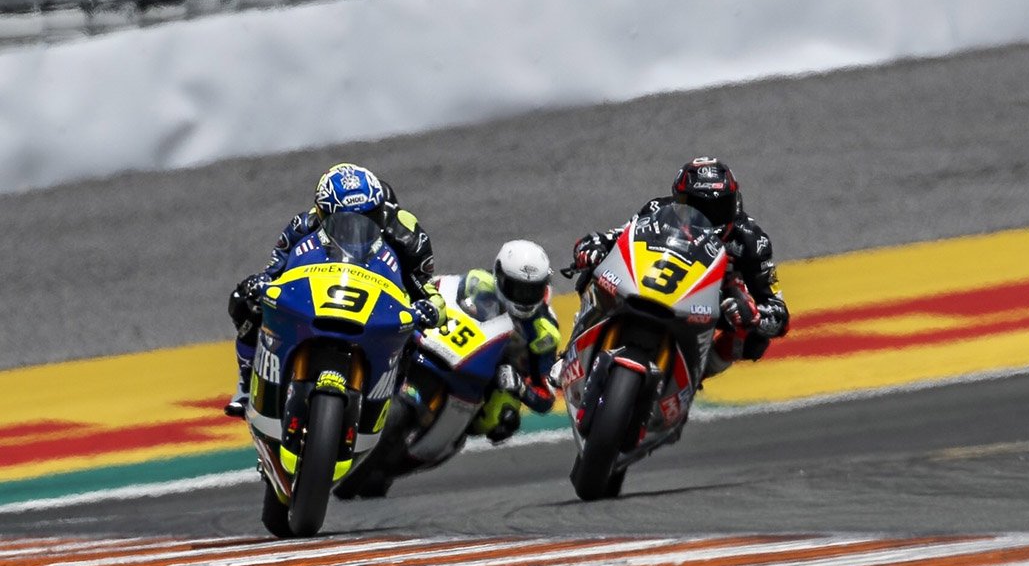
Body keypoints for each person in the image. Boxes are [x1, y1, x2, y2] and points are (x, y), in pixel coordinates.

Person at [224, 162, 447, 417]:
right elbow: (274, 270)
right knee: (245, 301)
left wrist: (430, 309)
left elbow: (428, 291)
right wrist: (259, 284)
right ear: (323, 214)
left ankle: (389, 400)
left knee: (418, 338)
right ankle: (246, 382)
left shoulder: (408, 239)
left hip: (383, 307)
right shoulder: (302, 226)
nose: (355, 229)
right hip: (321, 293)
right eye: (343, 222)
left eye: (368, 218)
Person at [569, 156, 789, 380]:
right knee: (595, 266)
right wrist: (594, 245)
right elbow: (617, 237)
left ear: (735, 202)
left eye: (719, 208)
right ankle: (574, 347)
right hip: (650, 278)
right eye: (696, 208)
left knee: (755, 339)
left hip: (709, 302)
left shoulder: (752, 241)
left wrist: (755, 316)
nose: (708, 219)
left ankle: (697, 374)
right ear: (678, 201)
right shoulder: (656, 209)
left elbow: (779, 313)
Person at [462, 239, 561, 443]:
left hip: (495, 380)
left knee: (505, 419)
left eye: (532, 290)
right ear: (500, 276)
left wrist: (521, 386)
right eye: (518, 289)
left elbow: (547, 398)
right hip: (459, 347)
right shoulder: (477, 282)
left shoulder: (545, 332)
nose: (524, 298)